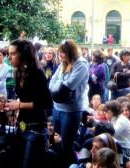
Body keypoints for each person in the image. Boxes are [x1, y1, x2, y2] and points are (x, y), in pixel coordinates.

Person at [0, 39, 53, 168]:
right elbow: (25, 99)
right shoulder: (18, 72)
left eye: (13, 54)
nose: (9, 56)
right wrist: (9, 104)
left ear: (23, 54)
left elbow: (47, 103)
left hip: (36, 129)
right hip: (21, 127)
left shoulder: (37, 73)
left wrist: (18, 105)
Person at [49, 39, 89, 167]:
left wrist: (58, 87)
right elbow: (51, 84)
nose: (60, 55)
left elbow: (68, 87)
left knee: (66, 144)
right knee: (57, 141)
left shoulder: (81, 65)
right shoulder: (63, 64)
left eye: (63, 53)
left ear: (69, 52)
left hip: (71, 111)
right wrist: (58, 88)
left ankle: (74, 166)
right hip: (57, 108)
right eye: (60, 52)